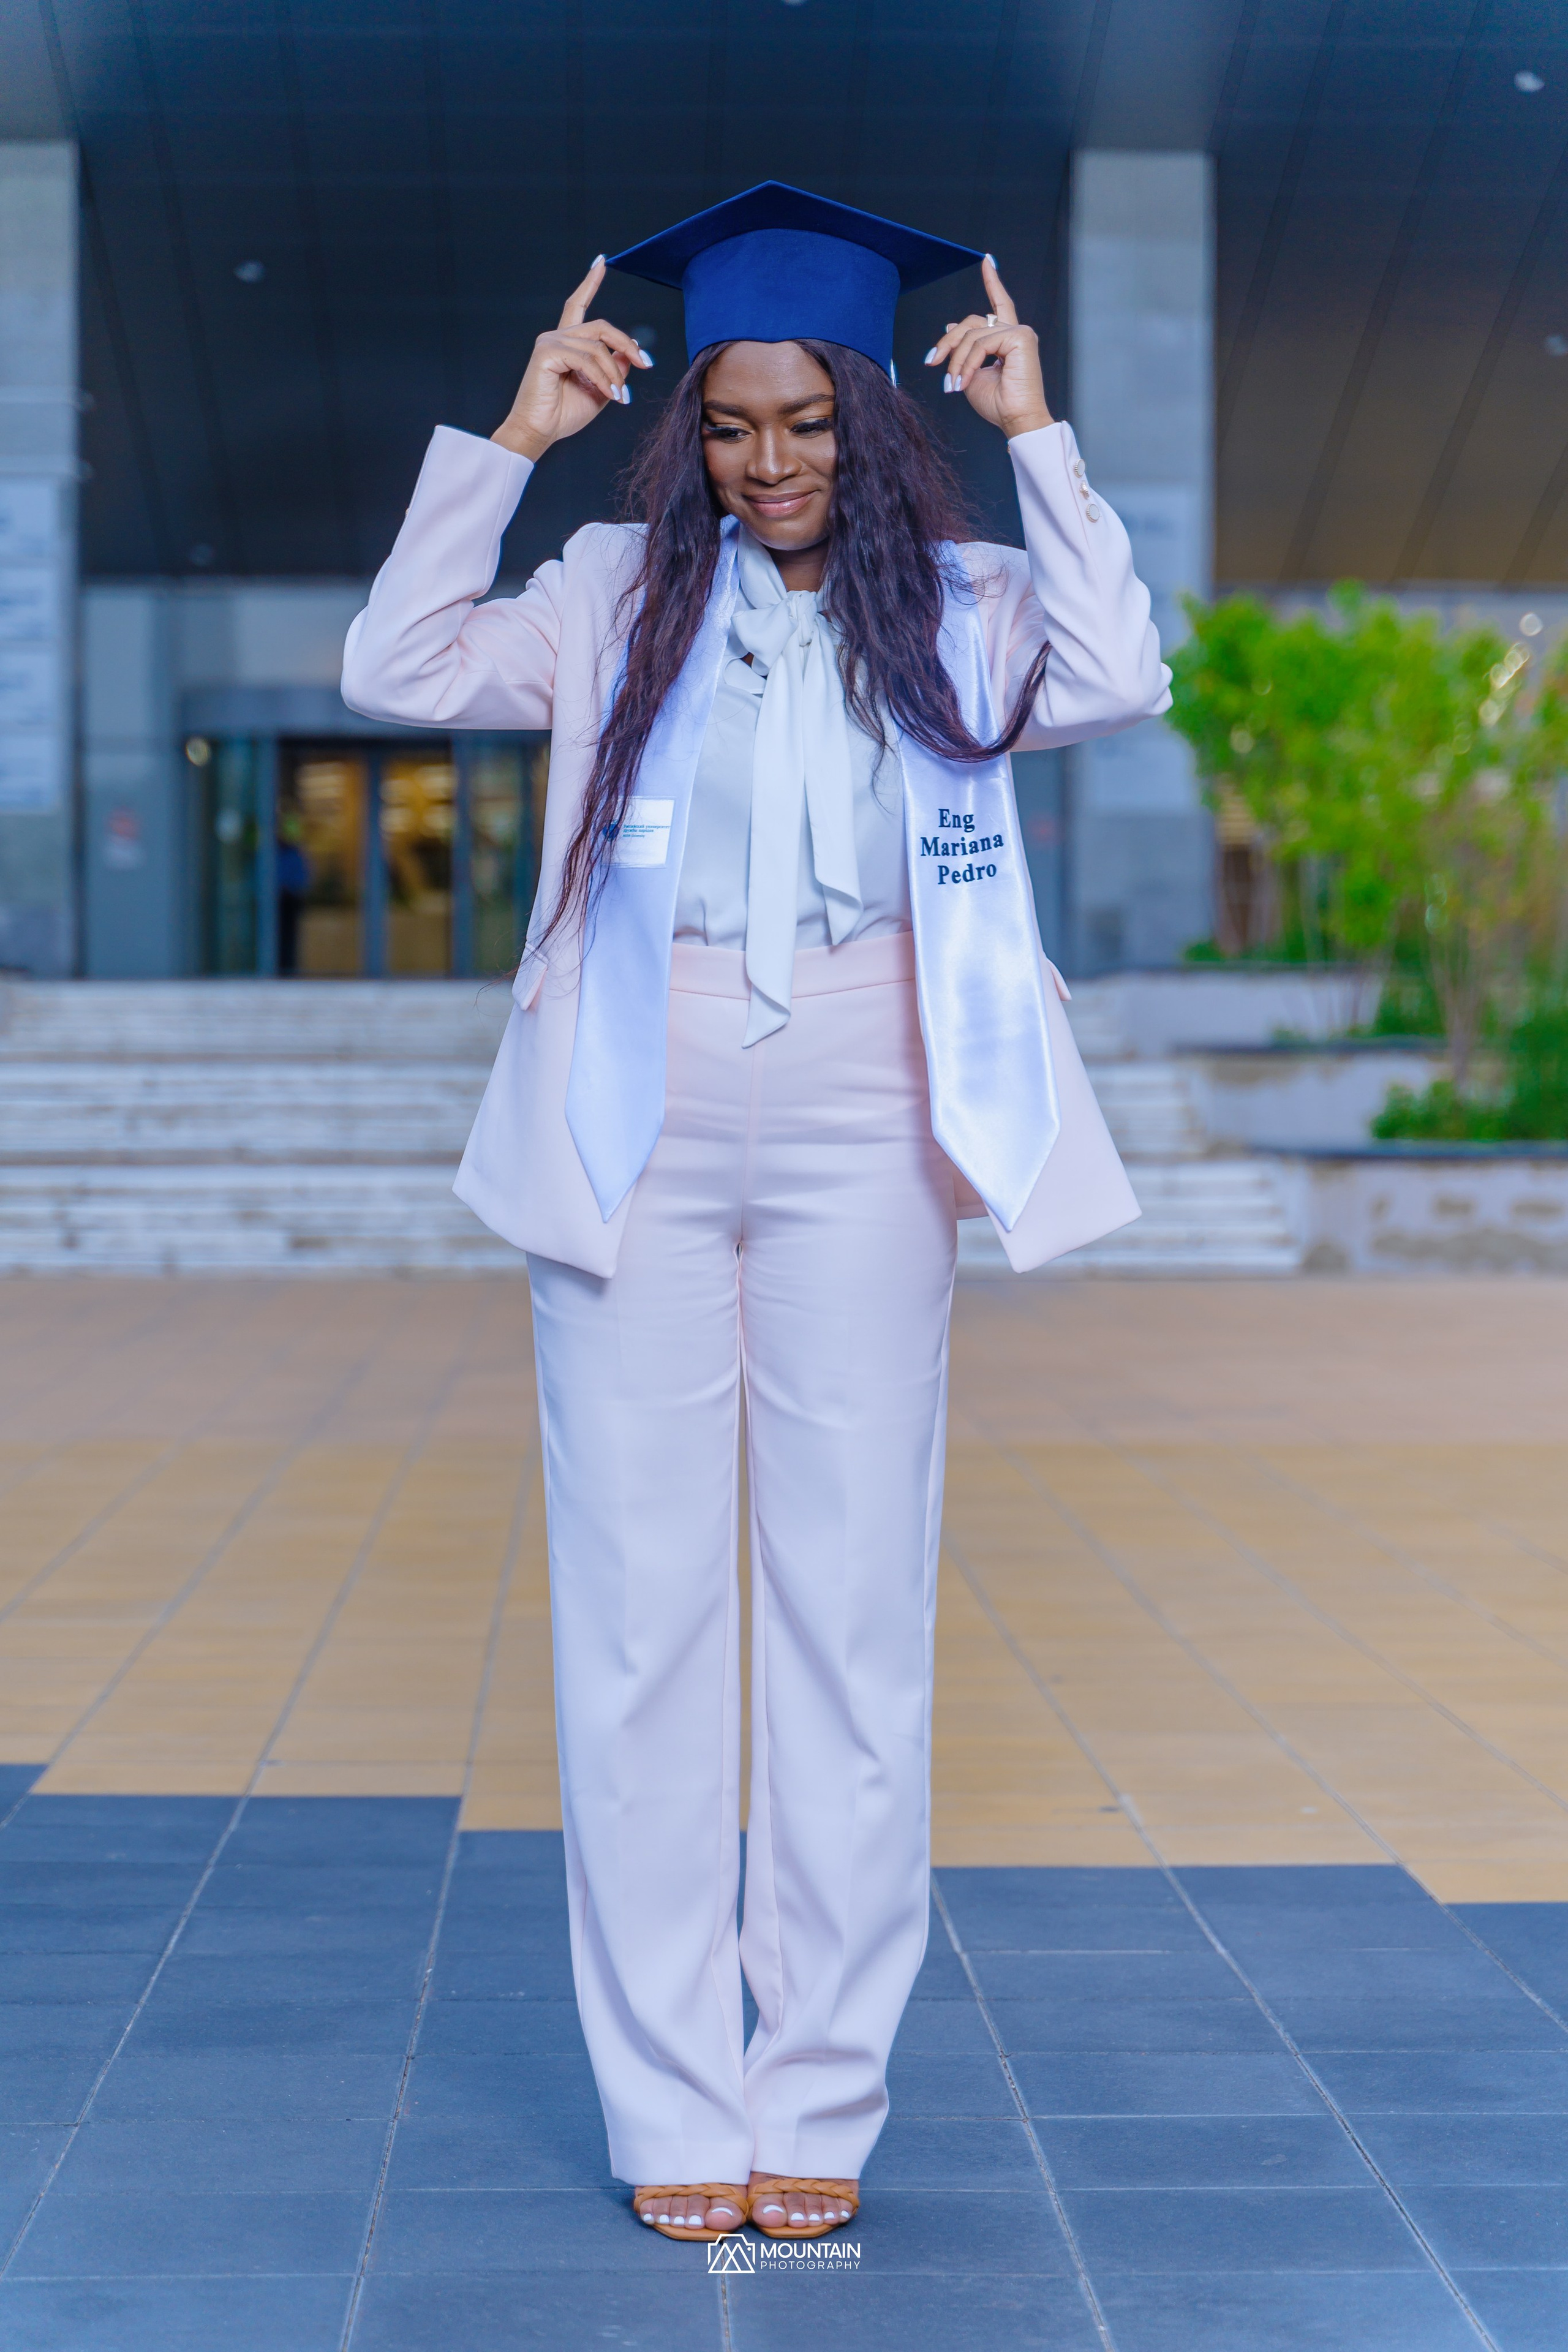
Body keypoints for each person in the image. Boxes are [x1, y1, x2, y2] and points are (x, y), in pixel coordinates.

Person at [342, 183, 1167, 2245]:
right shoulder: (612, 585)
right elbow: (394, 665)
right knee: (636, 1631)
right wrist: (510, 446)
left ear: (874, 416)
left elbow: (1127, 671)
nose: (769, 463)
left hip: (872, 1112)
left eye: (805, 422)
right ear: (684, 428)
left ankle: (818, 2095)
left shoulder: (967, 600)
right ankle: (669, 2106)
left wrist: (1039, 436)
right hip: (638, 1099)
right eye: (729, 425)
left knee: (850, 1624)